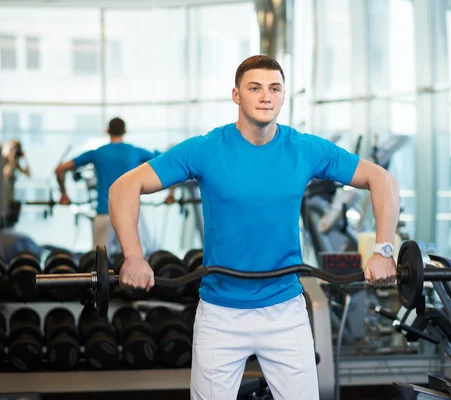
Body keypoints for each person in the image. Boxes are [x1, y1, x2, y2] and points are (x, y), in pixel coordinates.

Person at [109, 55, 400, 400]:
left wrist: (384, 250)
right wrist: (133, 256)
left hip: (285, 309)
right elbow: (124, 187)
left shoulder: (303, 149)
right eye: (255, 88)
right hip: (220, 312)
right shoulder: (207, 149)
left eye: (275, 88)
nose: (266, 96)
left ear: (283, 96)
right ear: (236, 95)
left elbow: (380, 179)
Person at [55, 117, 155, 252]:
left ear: (108, 131)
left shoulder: (98, 153)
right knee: (131, 262)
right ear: (125, 131)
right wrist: (170, 194)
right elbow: (169, 164)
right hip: (129, 216)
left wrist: (64, 195)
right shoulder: (135, 152)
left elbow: (60, 169)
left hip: (105, 214)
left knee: (99, 264)